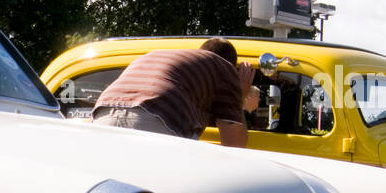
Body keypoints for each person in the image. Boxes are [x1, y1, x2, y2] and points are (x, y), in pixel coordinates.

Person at [90, 38, 259, 147]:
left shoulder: (164, 56)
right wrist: (239, 95)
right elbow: (235, 147)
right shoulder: (224, 68)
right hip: (157, 115)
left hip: (102, 113)